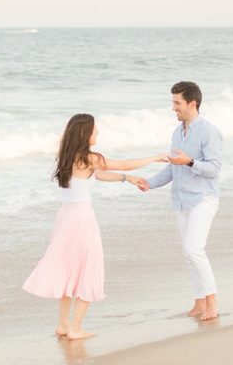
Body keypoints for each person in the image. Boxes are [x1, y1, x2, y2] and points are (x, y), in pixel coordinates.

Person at [23, 113, 168, 340]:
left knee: (68, 270)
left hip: (65, 218)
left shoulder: (68, 157)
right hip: (82, 219)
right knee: (88, 269)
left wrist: (125, 179)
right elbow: (124, 163)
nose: (98, 133)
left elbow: (97, 175)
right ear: (85, 133)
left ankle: (62, 326)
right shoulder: (91, 157)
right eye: (95, 130)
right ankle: (76, 329)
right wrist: (154, 158)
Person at [129, 81, 223, 320]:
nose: (173, 108)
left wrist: (191, 162)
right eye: (173, 103)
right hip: (181, 201)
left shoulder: (209, 131)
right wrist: (150, 183)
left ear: (192, 103)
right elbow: (173, 169)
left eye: (177, 103)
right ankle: (199, 303)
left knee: (194, 249)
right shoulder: (176, 133)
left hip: (203, 198)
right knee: (188, 252)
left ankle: (213, 303)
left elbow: (213, 169)